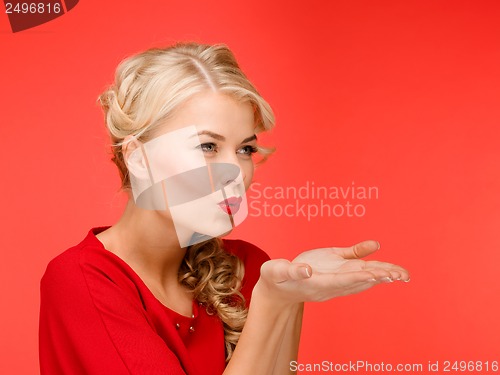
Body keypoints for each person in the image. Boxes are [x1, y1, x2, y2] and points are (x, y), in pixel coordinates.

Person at [39, 42, 410, 375]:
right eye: (207, 146)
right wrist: (273, 301)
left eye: (245, 149)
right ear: (138, 158)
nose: (235, 173)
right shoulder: (82, 281)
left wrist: (291, 296)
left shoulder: (248, 269)